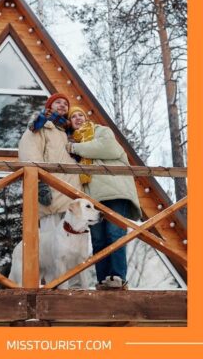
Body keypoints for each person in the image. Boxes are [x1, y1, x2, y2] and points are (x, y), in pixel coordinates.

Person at [66, 106, 142, 289]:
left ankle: (117, 277)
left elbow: (108, 149)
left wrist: (75, 147)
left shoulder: (100, 131)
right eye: (73, 117)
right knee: (98, 239)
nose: (78, 118)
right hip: (92, 199)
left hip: (115, 190)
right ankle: (102, 280)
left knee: (115, 234)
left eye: (81, 114)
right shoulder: (71, 143)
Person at [18, 93, 82, 232]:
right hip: (52, 197)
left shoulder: (69, 133)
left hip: (72, 199)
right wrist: (40, 183)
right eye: (58, 102)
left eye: (65, 104)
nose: (62, 105)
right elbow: (29, 152)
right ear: (49, 106)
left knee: (72, 247)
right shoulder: (40, 125)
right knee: (51, 244)